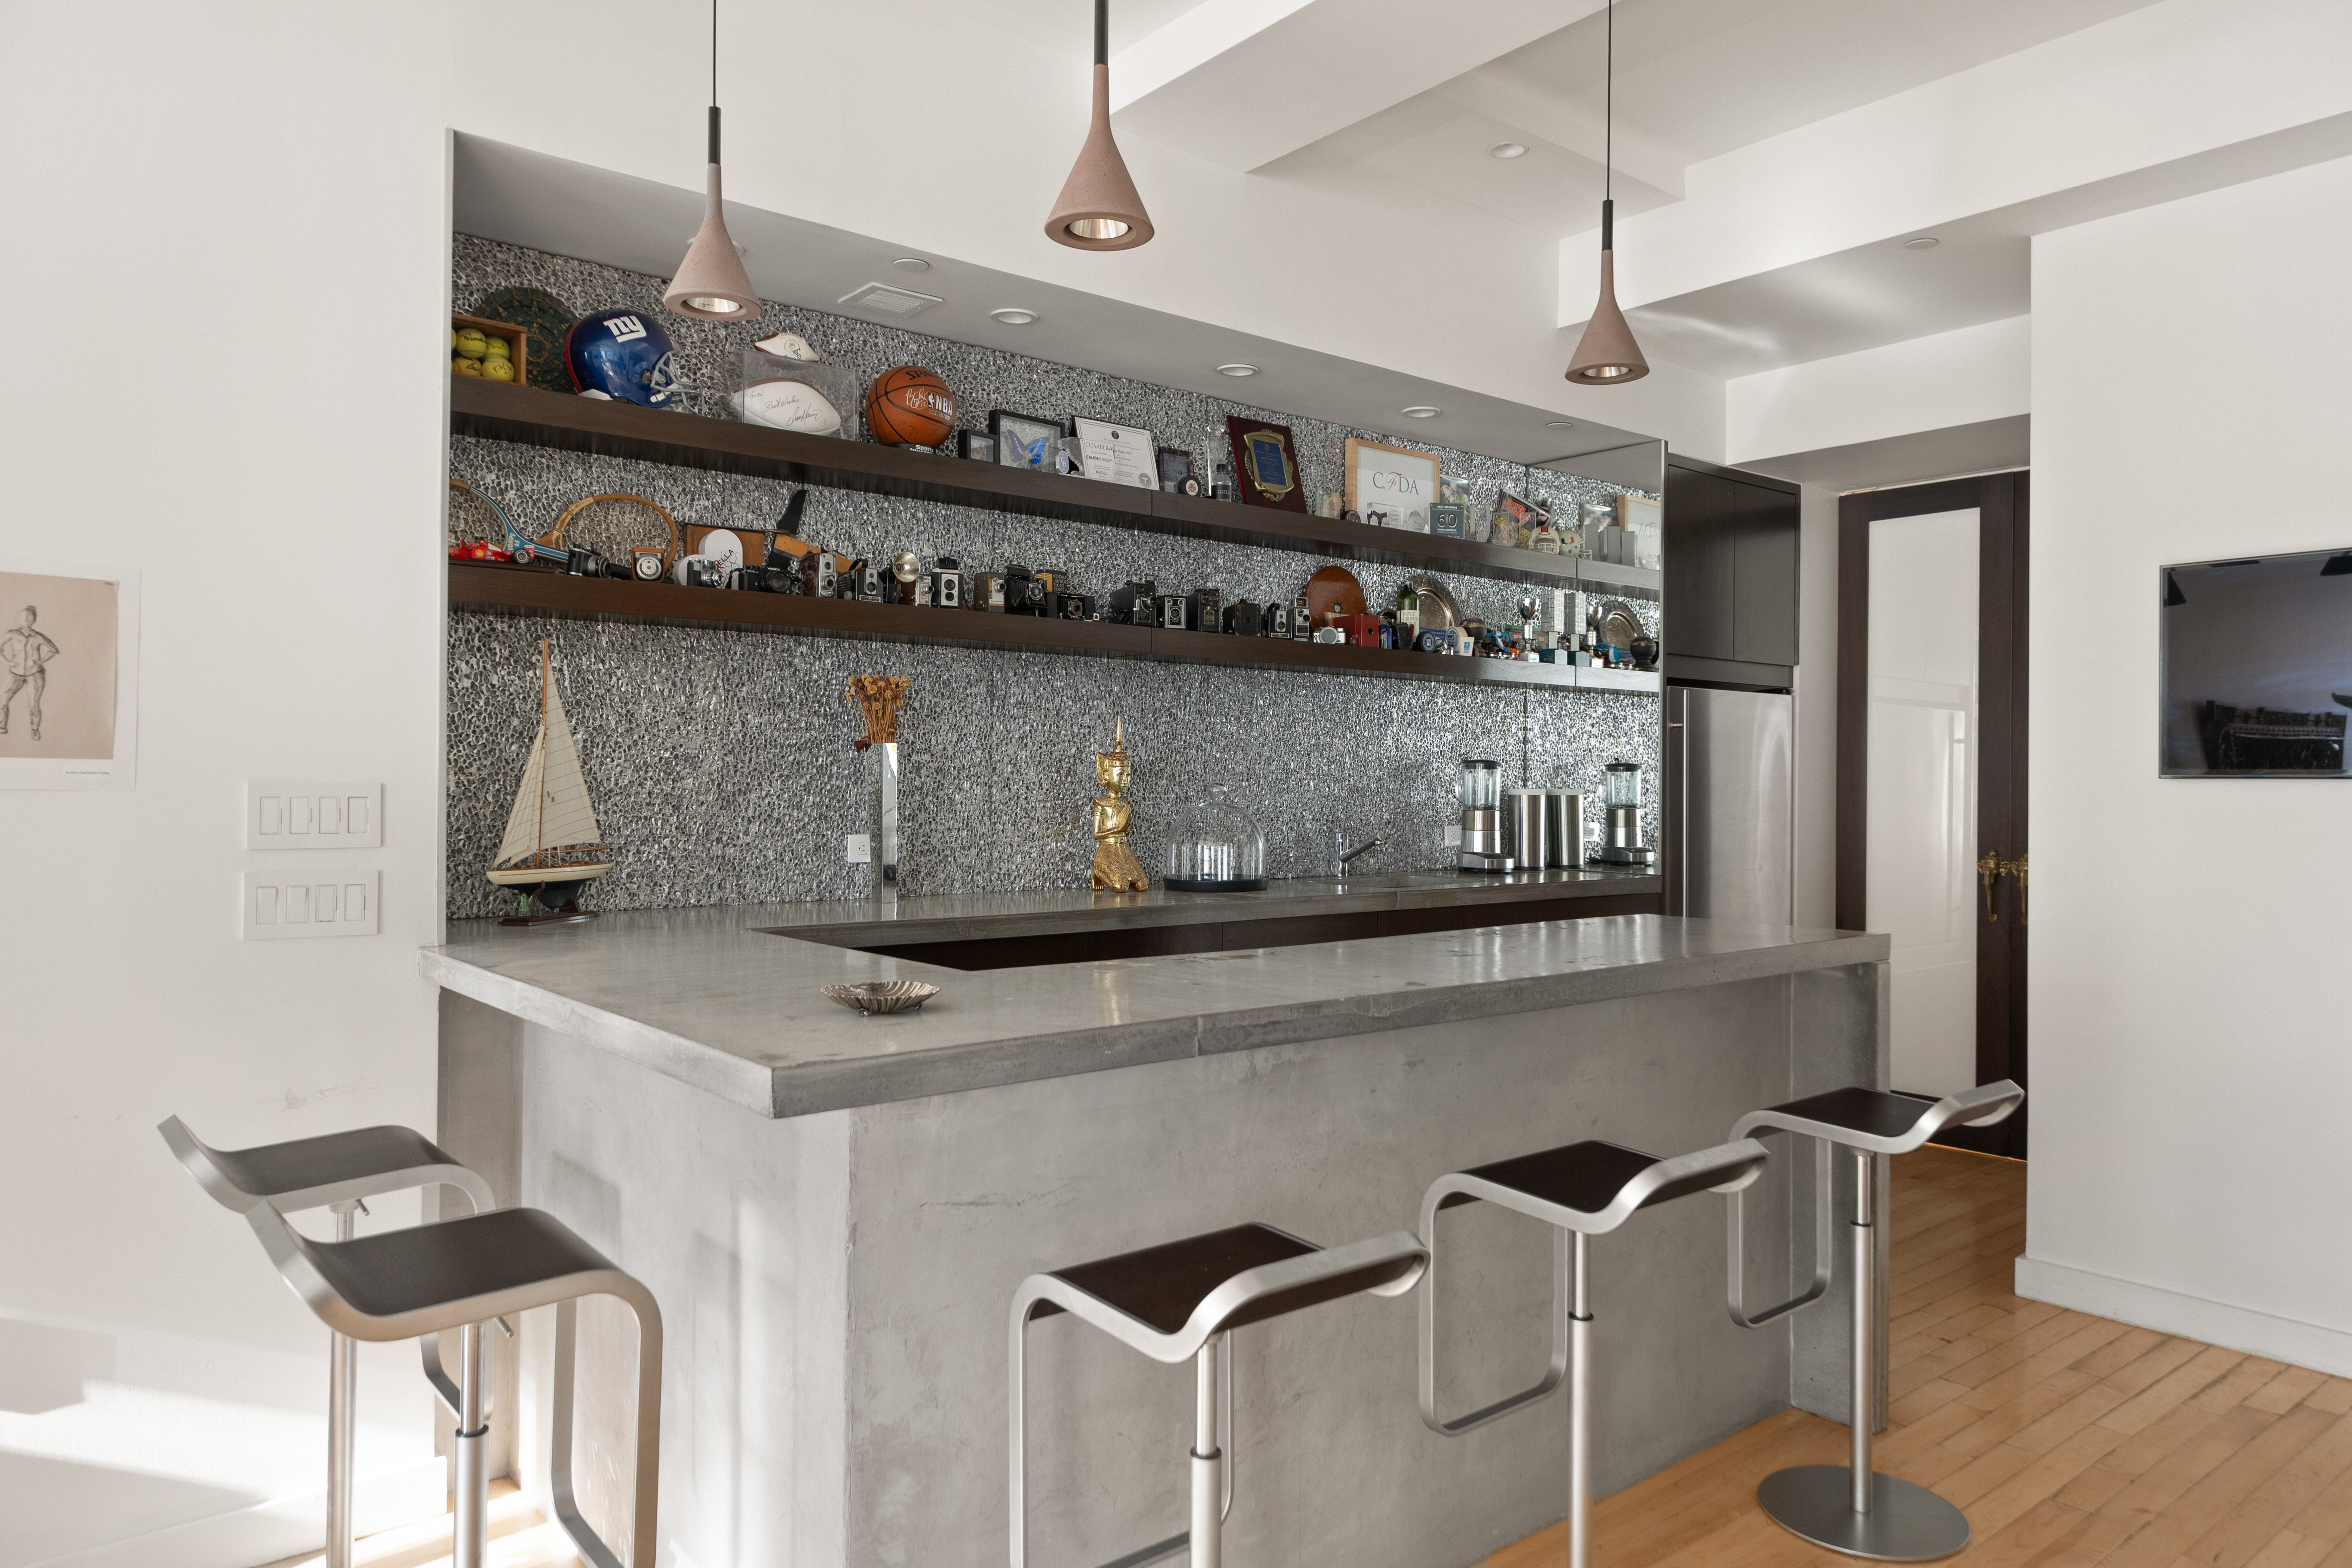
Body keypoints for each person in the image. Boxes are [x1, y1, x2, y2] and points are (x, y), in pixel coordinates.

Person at [1, 605, 59, 741]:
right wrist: (7, 662)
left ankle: (35, 729)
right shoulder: (12, 634)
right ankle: (2, 726)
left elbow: (54, 650)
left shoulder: (38, 636)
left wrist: (40, 661)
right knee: (2, 700)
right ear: (19, 618)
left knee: (34, 704)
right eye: (24, 616)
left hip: (35, 674)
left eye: (30, 617)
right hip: (16, 673)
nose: (27, 619)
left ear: (34, 620)